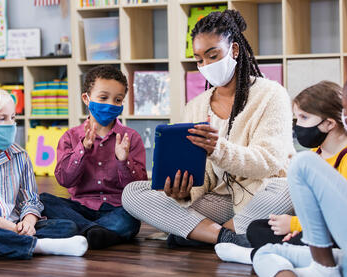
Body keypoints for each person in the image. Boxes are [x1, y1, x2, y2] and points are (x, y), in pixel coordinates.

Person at [121, 9, 295, 248]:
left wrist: (218, 149)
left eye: (213, 56)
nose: (206, 65)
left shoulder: (271, 94)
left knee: (287, 188)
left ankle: (196, 232)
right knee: (132, 193)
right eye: (200, 59)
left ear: (234, 50)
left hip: (261, 195)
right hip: (217, 199)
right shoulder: (195, 106)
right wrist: (182, 191)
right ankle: (227, 238)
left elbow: (269, 162)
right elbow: (203, 179)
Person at [224, 55, 347, 277]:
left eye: (345, 108)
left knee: (302, 163)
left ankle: (322, 269)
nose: (343, 115)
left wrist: (297, 225)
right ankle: (255, 256)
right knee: (267, 251)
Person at [243, 81, 347, 251]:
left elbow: (345, 217)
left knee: (311, 238)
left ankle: (277, 252)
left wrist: (295, 225)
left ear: (329, 123)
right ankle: (287, 251)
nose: (297, 125)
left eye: (304, 117)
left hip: (343, 232)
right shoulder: (317, 152)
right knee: (256, 228)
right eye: (297, 117)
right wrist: (301, 227)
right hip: (317, 226)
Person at [40, 65, 148, 249]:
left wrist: (124, 161)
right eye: (103, 97)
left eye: (118, 99)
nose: (110, 104)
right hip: (79, 208)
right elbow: (64, 179)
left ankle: (79, 231)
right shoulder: (71, 137)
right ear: (86, 98)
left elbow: (138, 187)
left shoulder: (131, 138)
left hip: (116, 208)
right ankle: (97, 233)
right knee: (43, 200)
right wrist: (82, 149)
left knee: (130, 219)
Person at [0, 89, 88, 259]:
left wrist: (28, 222)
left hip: (17, 225)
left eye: (13, 118)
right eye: (2, 119)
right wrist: (13, 229)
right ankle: (40, 246)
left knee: (68, 227)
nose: (11, 124)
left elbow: (30, 199)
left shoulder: (20, 156)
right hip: (4, 227)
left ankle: (13, 244)